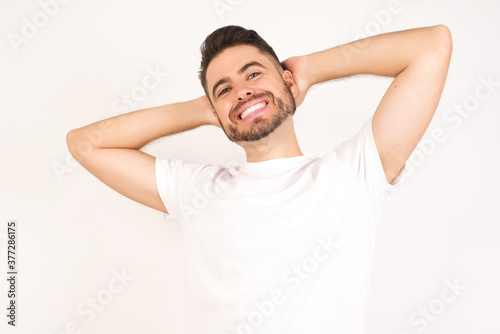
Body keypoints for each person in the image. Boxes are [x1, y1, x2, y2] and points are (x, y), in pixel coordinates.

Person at [67, 24, 452, 333]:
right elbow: (85, 145)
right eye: (224, 90)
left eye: (253, 73)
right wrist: (201, 110)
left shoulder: (355, 173)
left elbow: (432, 45)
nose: (242, 90)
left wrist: (312, 68)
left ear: (286, 80)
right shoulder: (197, 190)